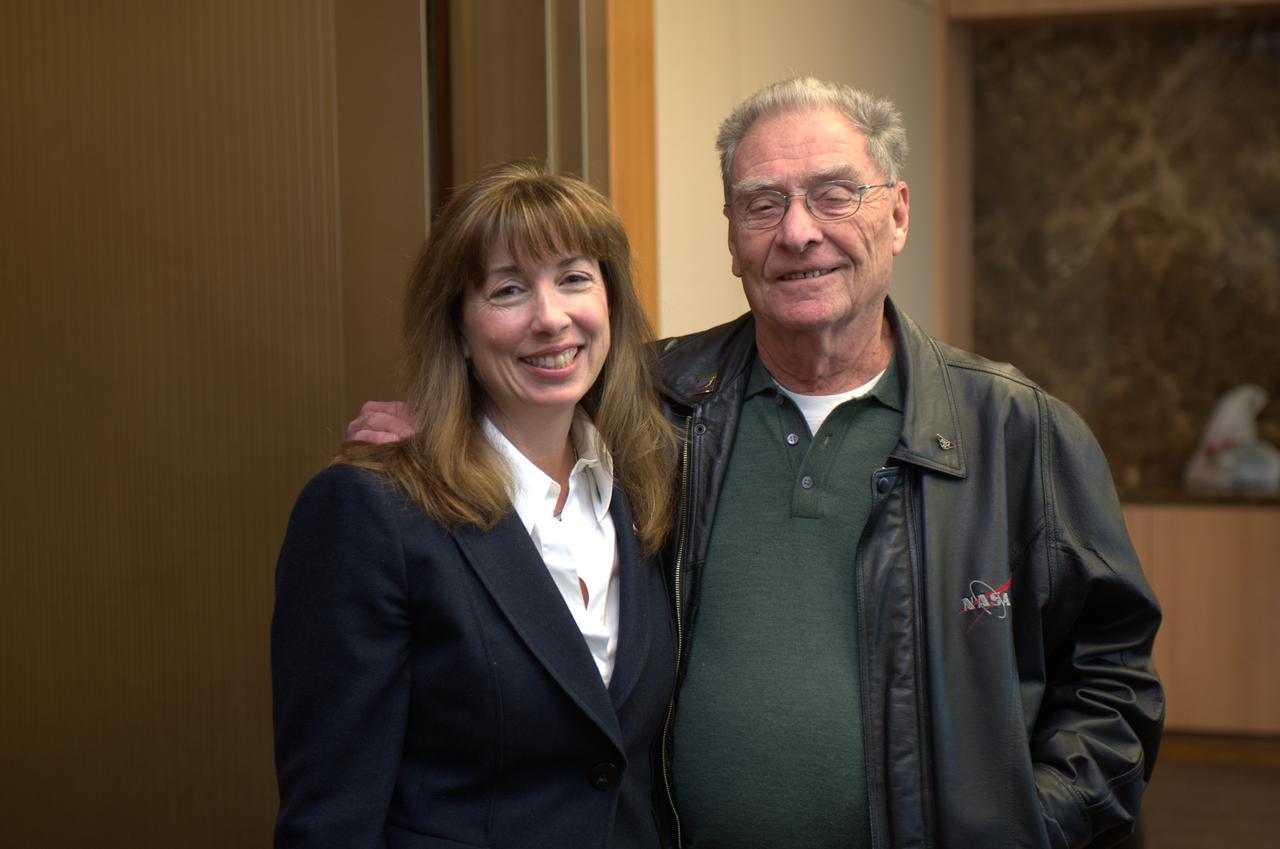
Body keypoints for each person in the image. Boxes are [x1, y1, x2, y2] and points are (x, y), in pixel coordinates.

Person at [348, 78, 1164, 849]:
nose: (798, 231)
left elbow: (1112, 684)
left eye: (834, 194)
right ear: (733, 238)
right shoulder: (651, 404)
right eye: (762, 204)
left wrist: (1022, 826)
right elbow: (529, 389)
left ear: (898, 214)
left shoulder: (1017, 431)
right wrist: (453, 422)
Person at [273, 163, 677, 849]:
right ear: (458, 328)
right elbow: (330, 814)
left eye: (575, 278)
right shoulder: (371, 512)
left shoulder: (643, 489)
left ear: (612, 302)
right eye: (508, 289)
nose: (551, 318)